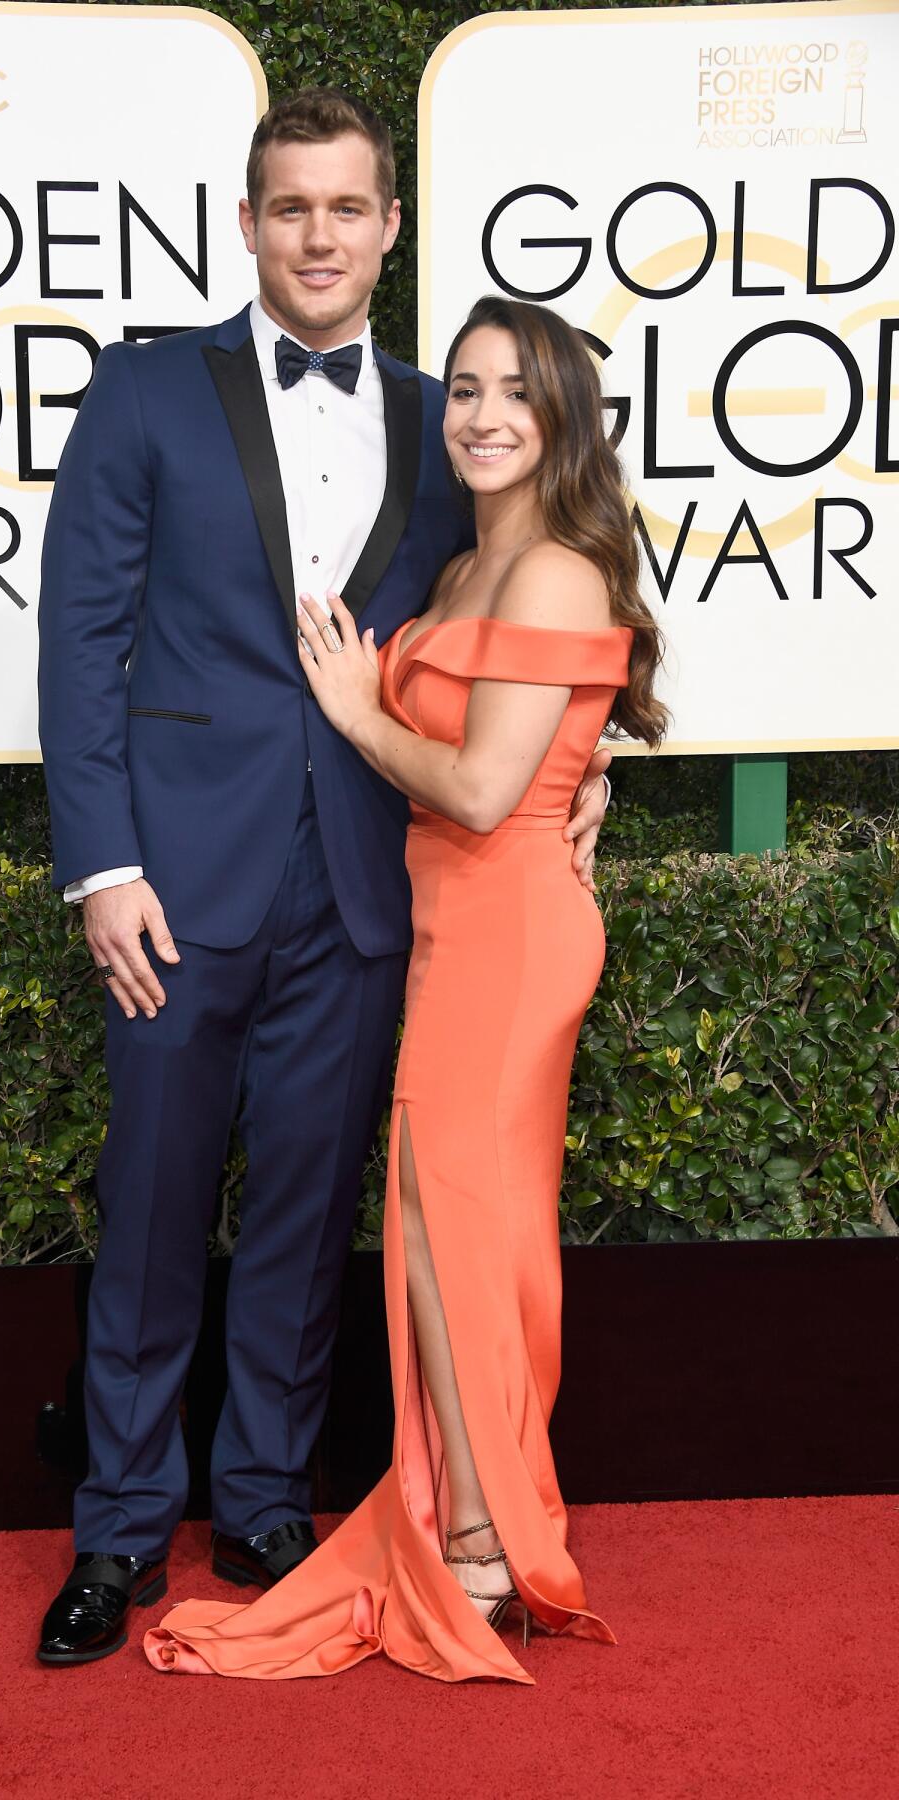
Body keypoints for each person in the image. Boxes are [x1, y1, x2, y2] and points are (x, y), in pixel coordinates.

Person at [36, 93, 612, 1667]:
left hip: (371, 888)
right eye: (290, 208)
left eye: (347, 209)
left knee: (302, 1213)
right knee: (151, 1207)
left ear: (388, 229)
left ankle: (269, 1498)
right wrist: (101, 865)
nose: (318, 236)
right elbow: (79, 646)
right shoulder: (146, 392)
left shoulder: (447, 424)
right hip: (173, 885)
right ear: (247, 223)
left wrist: (592, 757)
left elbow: (522, 611)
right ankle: (120, 1529)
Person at [144, 296, 667, 1684]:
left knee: (467, 1228)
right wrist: (578, 764)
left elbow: (492, 789)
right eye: (467, 391)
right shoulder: (456, 573)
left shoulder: (549, 570)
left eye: (517, 393)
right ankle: (474, 1516)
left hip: (508, 934)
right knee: (433, 1223)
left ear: (562, 419)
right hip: (449, 929)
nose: (484, 415)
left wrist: (359, 713)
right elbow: (529, 746)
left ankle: (491, 1530)